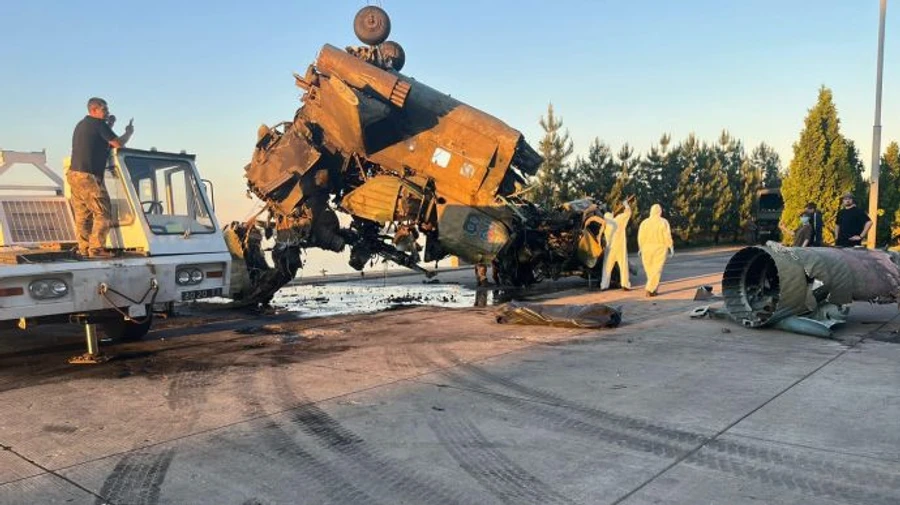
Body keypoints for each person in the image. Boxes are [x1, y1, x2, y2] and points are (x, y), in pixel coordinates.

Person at [68, 97, 133, 258]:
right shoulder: (98, 124)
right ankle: (96, 249)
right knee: (103, 213)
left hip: (74, 174)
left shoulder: (83, 124)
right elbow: (118, 144)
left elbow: (99, 138)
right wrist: (128, 132)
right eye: (104, 109)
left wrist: (109, 124)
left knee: (83, 215)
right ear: (94, 110)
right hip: (89, 175)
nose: (107, 112)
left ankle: (84, 249)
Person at [637, 204, 674, 297]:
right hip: (660, 248)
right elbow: (667, 235)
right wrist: (670, 246)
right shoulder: (663, 222)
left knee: (649, 270)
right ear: (660, 211)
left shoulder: (644, 222)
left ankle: (653, 289)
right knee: (656, 270)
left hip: (646, 248)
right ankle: (650, 289)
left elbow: (640, 237)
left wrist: (640, 248)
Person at [601, 199, 632, 290]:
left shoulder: (605, 224)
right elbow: (628, 213)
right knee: (623, 266)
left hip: (610, 249)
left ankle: (604, 285)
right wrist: (626, 205)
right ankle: (625, 284)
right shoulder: (619, 220)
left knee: (607, 268)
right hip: (620, 248)